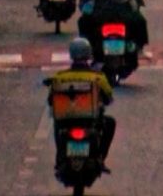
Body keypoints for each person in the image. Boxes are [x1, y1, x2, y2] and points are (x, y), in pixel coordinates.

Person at [47, 36, 116, 173]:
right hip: (90, 122)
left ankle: (60, 157)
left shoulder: (59, 77)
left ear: (71, 55)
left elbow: (51, 100)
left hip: (66, 122)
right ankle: (100, 157)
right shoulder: (98, 77)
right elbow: (108, 97)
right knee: (110, 123)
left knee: (56, 124)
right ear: (89, 54)